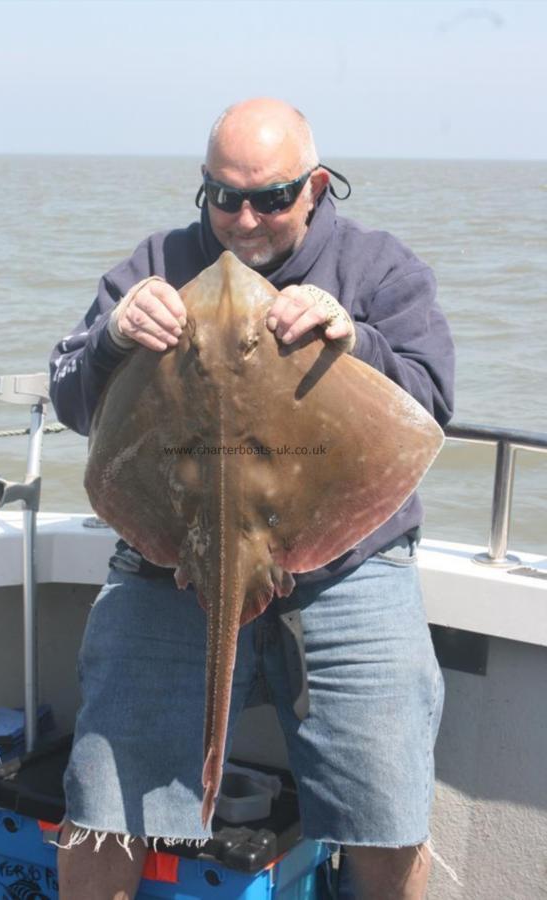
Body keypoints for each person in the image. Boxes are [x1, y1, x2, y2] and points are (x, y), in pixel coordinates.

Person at [49, 98, 455, 900]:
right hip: (173, 553)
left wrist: (355, 341)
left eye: (269, 197)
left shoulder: (379, 269)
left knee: (388, 806)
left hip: (348, 563)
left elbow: (431, 402)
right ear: (202, 189)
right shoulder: (157, 262)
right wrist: (115, 335)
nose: (243, 220)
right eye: (222, 196)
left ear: (317, 187)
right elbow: (70, 397)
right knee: (104, 794)